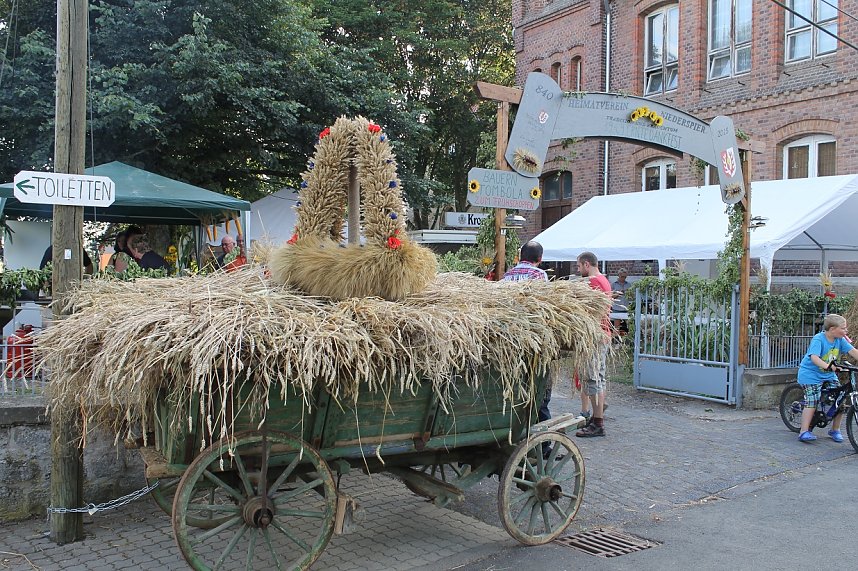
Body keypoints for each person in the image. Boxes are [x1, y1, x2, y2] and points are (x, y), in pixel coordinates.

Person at [503, 240, 553, 451]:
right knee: (539, 393)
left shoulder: (507, 276)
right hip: (533, 342)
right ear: (539, 259)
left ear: (520, 256)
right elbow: (547, 306)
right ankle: (543, 446)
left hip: (509, 342)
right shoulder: (540, 276)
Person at [796, 313, 858, 443]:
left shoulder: (840, 340)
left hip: (828, 375)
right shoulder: (819, 339)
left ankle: (835, 430)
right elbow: (814, 357)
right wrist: (827, 366)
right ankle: (804, 431)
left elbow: (853, 352)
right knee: (812, 401)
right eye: (843, 328)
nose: (846, 331)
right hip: (810, 375)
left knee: (840, 399)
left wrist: (829, 369)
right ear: (832, 329)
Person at [575, 251, 612, 438]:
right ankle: (598, 419)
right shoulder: (604, 280)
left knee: (591, 380)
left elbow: (587, 311)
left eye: (579, 266)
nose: (578, 270)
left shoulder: (593, 282)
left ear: (587, 264)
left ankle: (597, 424)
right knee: (599, 379)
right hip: (603, 334)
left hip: (595, 337)